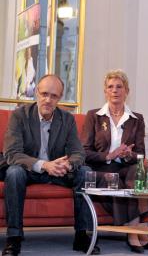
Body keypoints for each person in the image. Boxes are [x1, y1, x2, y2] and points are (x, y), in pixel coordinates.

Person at [2, 74, 100, 256]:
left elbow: (78, 153)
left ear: (59, 98)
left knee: (84, 171)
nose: (48, 100)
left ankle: (82, 236)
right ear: (36, 94)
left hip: (59, 171)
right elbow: (12, 153)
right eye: (44, 94)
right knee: (14, 173)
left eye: (53, 96)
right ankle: (14, 238)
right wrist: (44, 165)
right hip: (29, 170)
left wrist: (68, 165)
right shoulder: (19, 116)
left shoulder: (67, 119)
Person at [81, 70, 148, 253]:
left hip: (126, 166)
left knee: (135, 172)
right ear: (105, 91)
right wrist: (109, 155)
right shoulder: (94, 115)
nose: (115, 90)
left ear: (127, 91)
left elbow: (141, 155)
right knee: (114, 179)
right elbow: (83, 152)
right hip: (101, 168)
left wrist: (126, 155)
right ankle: (137, 235)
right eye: (110, 87)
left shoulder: (137, 119)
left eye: (119, 87)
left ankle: (136, 233)